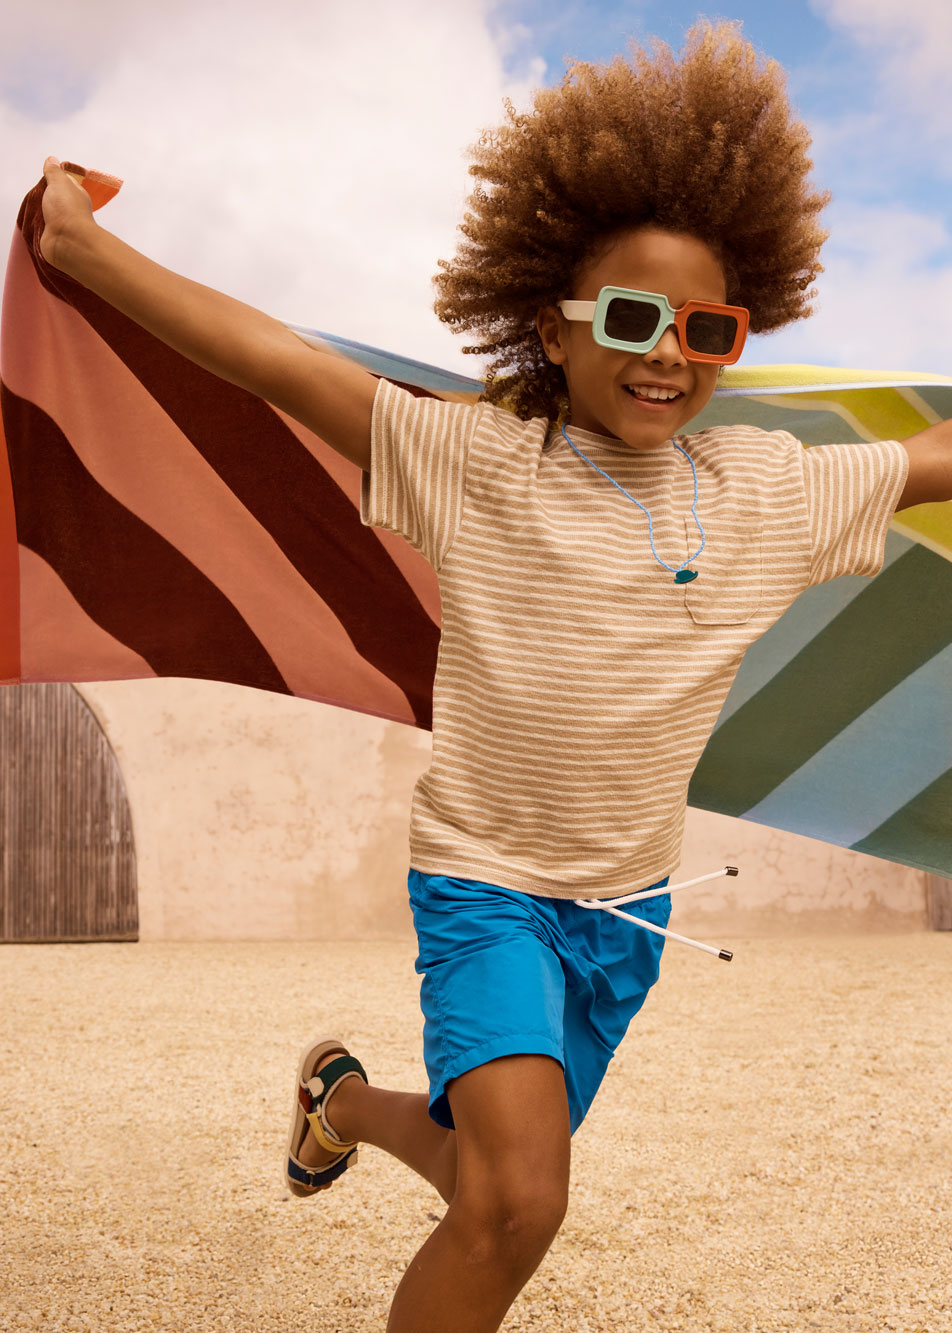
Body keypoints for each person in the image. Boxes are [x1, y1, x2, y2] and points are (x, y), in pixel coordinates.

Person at [38, 19, 913, 1333]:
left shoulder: (772, 493)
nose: (668, 350)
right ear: (552, 331)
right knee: (521, 1204)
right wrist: (88, 251)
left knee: (485, 1178)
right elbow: (283, 365)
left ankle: (335, 1099)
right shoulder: (487, 466)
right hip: (488, 887)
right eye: (630, 316)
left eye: (708, 327)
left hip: (629, 915)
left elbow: (932, 457)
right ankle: (354, 1110)